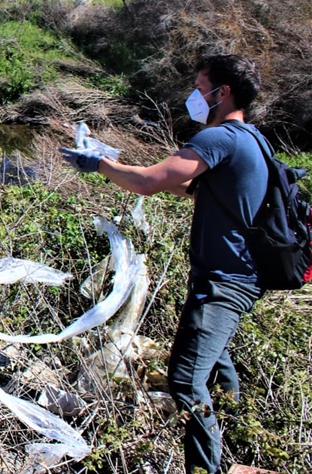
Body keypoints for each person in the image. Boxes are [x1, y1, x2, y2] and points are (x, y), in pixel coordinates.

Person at [59, 53, 267, 474]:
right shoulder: (253, 140)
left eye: (200, 86)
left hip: (223, 283)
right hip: (241, 278)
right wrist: (115, 161)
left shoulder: (220, 138)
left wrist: (96, 163)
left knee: (188, 379)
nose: (195, 95)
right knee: (219, 366)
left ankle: (208, 468)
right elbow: (186, 186)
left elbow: (148, 184)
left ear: (222, 92)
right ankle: (240, 449)